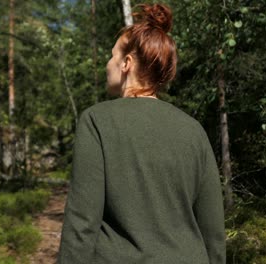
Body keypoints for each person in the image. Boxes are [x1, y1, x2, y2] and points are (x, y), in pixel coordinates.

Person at [57, 3, 226, 264]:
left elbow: (82, 222)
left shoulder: (97, 121)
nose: (107, 64)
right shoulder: (194, 130)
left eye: (112, 56)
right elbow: (213, 230)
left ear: (126, 63)